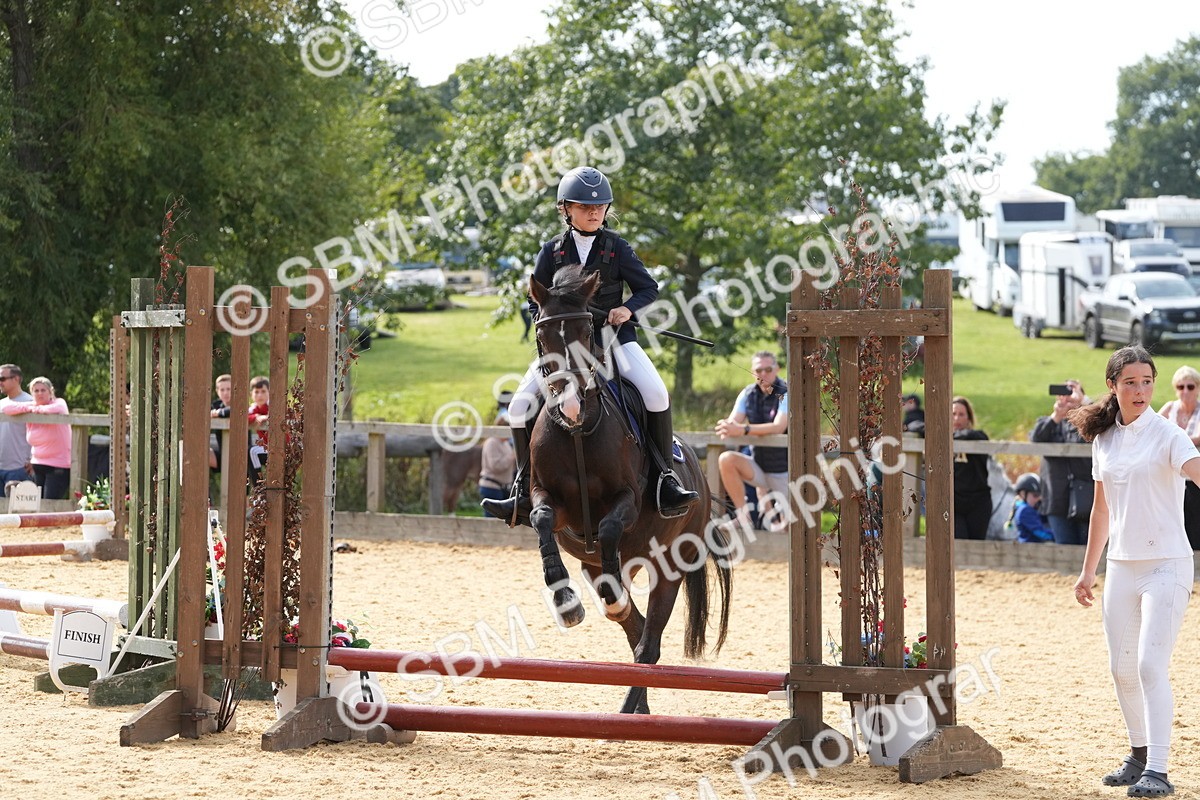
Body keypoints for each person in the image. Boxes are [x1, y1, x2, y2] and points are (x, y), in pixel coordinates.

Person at [483, 165, 698, 524]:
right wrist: (551, 319)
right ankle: (522, 489)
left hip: (614, 342)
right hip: (564, 350)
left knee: (657, 394)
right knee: (519, 406)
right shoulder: (551, 252)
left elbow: (648, 288)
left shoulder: (617, 248)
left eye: (600, 207)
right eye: (585, 207)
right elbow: (534, 300)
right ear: (566, 209)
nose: (594, 212)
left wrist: (626, 309)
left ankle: (665, 479)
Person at [1071, 346, 1199, 798]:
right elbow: (1101, 510)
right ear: (1113, 386)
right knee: (1121, 669)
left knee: (1149, 665)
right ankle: (1139, 754)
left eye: (1147, 381)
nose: (1140, 389)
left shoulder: (1169, 435)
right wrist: (1088, 571)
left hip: (1169, 564)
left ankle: (1159, 770)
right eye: (1131, 382)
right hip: (1121, 567)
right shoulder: (1103, 440)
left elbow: (1196, 470)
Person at [714, 351, 788, 529]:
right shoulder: (747, 394)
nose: (763, 374)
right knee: (726, 459)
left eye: (768, 369)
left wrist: (743, 429)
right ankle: (743, 517)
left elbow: (779, 426)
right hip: (759, 468)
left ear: (776, 369)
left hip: (787, 472)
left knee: (790, 529)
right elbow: (734, 422)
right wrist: (726, 426)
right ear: (753, 372)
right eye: (758, 370)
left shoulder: (785, 392)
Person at [1030, 379, 1093, 546]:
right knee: (1064, 546)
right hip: (1056, 499)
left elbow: (1099, 429)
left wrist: (1082, 405)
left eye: (1072, 392)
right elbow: (1036, 439)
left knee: (1087, 549)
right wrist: (1056, 417)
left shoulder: (1090, 422)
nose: (1067, 398)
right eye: (1063, 394)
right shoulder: (1049, 423)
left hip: (1086, 497)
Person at [1, 376, 70, 499]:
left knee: (49, 504)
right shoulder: (30, 406)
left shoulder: (59, 403)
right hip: (37, 464)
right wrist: (30, 408)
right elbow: (6, 408)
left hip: (58, 465)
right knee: (36, 506)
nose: (39, 393)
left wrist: (33, 409)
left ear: (50, 391)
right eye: (36, 391)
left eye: (43, 390)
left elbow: (54, 409)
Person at [1158, 365, 1200, 550]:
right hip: (1171, 479)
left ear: (1197, 388)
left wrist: (1175, 443)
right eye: (1181, 387)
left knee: (1195, 525)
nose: (1185, 391)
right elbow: (1151, 431)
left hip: (1195, 479)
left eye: (1190, 386)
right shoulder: (1169, 408)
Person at [952, 395, 991, 540]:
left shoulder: (977, 437)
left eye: (961, 414)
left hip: (978, 503)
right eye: (953, 414)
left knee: (976, 550)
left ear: (969, 417)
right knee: (958, 545)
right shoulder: (940, 438)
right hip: (953, 503)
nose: (957, 418)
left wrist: (952, 435)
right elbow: (914, 426)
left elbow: (982, 437)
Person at [0, 364, 33, 487]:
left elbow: (39, 434)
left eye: (2, 379)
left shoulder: (30, 403)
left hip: (19, 469)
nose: (0, 382)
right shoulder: (1, 404)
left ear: (16, 379)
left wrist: (33, 459)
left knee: (18, 507)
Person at [479, 412, 516, 517]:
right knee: (492, 520)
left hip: (503, 488)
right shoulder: (492, 443)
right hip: (492, 487)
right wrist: (512, 457)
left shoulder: (505, 444)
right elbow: (495, 466)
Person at [1007, 473, 1053, 543]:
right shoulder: (1025, 510)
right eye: (1035, 495)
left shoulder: (1028, 509)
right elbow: (1040, 533)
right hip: (1030, 550)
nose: (1039, 499)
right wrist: (1059, 534)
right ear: (1023, 494)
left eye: (1040, 495)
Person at [247, 376, 269, 483]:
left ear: (269, 392)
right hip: (265, 446)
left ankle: (259, 487)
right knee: (250, 453)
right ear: (251, 394)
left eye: (263, 391)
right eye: (256, 392)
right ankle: (259, 488)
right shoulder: (253, 408)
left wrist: (268, 417)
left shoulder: (273, 406)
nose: (260, 395)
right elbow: (243, 417)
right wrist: (256, 417)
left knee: (252, 451)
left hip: (281, 446)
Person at [209, 374, 232, 472]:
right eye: (222, 390)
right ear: (217, 391)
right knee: (197, 451)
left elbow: (232, 410)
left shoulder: (240, 403)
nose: (225, 393)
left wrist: (218, 413)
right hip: (221, 454)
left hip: (240, 453)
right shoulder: (215, 405)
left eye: (228, 389)